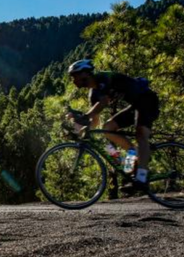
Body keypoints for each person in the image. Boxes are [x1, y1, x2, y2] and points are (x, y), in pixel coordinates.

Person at [66, 59, 160, 190]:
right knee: (107, 128)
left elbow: (103, 103)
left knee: (141, 135)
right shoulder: (93, 93)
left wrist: (84, 117)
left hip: (147, 100)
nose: (73, 80)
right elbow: (95, 120)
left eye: (75, 76)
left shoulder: (103, 78)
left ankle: (142, 177)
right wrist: (81, 131)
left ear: (86, 74)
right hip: (135, 105)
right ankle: (134, 154)